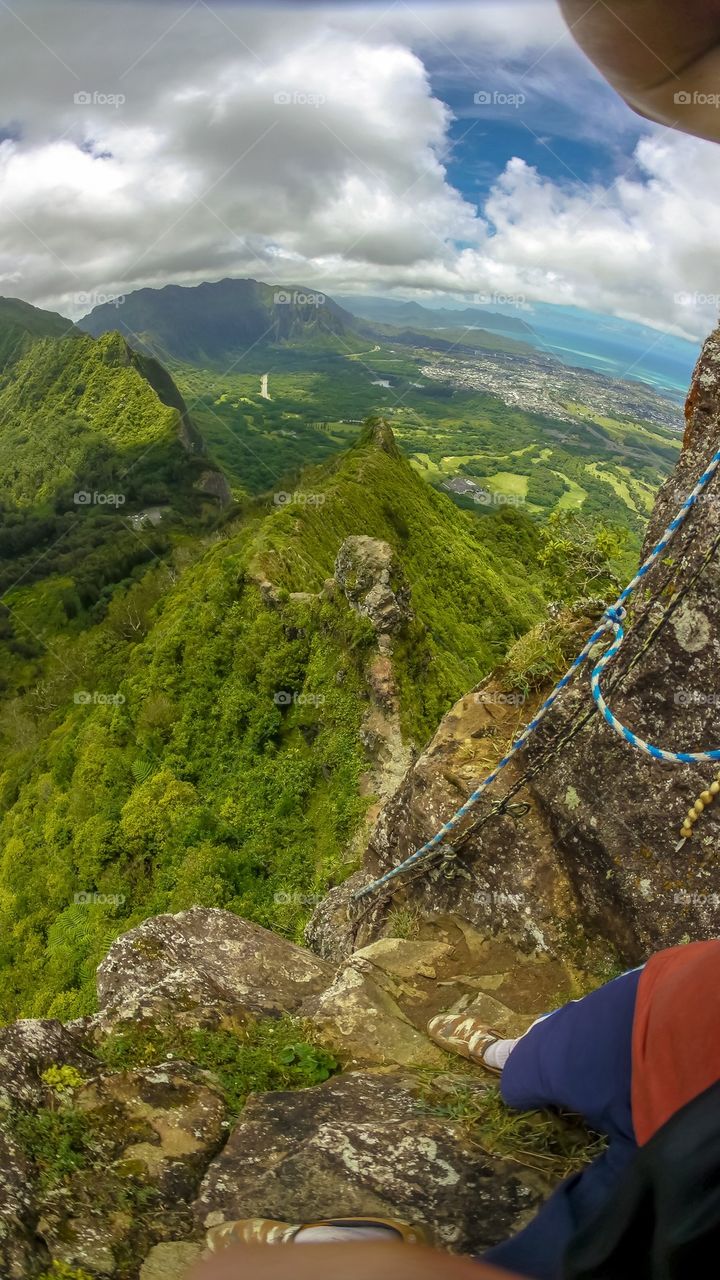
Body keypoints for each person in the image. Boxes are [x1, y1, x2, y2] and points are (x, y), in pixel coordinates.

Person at [189, 0, 720, 1274]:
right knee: (581, 1042)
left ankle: (516, 1071)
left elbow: (667, 69)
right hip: (690, 1021)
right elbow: (673, 71)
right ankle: (522, 1060)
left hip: (688, 1096)